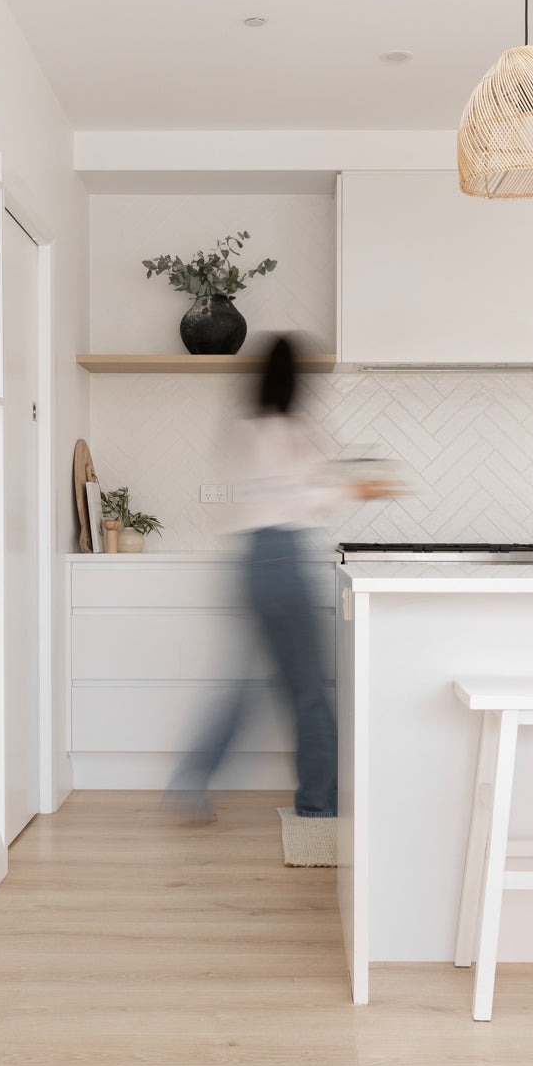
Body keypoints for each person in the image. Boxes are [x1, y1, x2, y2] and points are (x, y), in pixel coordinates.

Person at [167, 335, 392, 824]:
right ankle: (319, 802)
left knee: (246, 686)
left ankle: (190, 780)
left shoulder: (244, 426)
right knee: (308, 689)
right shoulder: (295, 429)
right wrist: (360, 488)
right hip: (285, 558)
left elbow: (267, 492)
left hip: (249, 560)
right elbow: (305, 497)